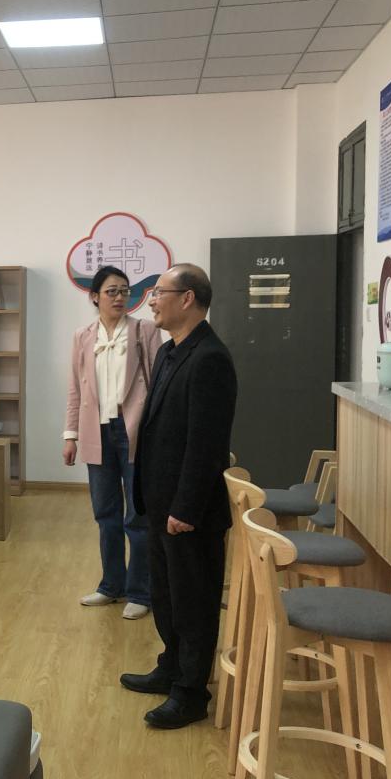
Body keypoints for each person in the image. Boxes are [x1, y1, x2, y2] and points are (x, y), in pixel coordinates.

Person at [120, 263, 237, 729]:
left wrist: (185, 508)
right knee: (166, 593)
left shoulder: (210, 358)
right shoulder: (172, 351)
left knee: (193, 600)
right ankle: (170, 666)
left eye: (159, 292)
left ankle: (191, 693)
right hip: (161, 499)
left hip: (188, 510)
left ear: (187, 298)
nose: (151, 299)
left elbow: (206, 445)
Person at [63, 265, 162, 620]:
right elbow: (75, 389)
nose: (120, 297)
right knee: (106, 514)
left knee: (137, 516)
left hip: (134, 431)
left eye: (124, 290)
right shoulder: (83, 336)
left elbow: (158, 385)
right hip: (96, 430)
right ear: (95, 297)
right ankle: (111, 586)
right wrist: (70, 435)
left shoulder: (144, 331)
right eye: (111, 291)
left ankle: (140, 591)